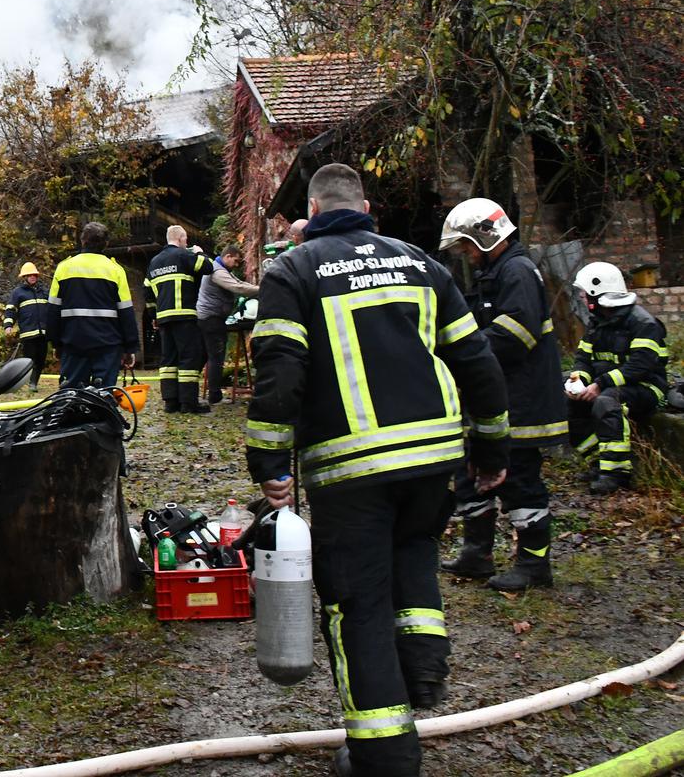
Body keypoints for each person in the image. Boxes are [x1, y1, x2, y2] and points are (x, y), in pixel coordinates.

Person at [246, 164, 509, 777]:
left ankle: (383, 754)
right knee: (413, 557)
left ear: (310, 210)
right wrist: (492, 450)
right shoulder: (420, 263)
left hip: (350, 470)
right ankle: (422, 673)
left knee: (357, 603)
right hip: (431, 461)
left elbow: (280, 371)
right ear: (364, 206)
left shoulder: (292, 271)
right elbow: (477, 360)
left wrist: (268, 461)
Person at [438, 198, 567, 590]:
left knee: (519, 480)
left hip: (522, 401)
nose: (465, 254)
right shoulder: (496, 272)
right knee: (470, 472)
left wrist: (465, 353)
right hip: (495, 397)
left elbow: (515, 337)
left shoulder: (517, 272)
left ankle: (533, 565)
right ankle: (477, 554)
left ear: (485, 236)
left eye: (466, 245)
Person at [567, 262, 667, 494]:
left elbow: (640, 366)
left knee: (607, 401)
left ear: (597, 293)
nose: (581, 296)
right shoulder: (596, 324)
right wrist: (578, 381)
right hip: (610, 386)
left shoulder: (644, 324)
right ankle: (598, 464)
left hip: (647, 387)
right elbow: (583, 359)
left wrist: (601, 384)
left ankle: (617, 473)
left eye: (584, 292)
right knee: (571, 402)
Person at [49, 222, 139, 388]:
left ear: (83, 241)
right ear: (106, 244)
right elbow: (126, 312)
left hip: (73, 342)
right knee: (103, 395)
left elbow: (53, 311)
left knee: (71, 396)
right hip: (108, 345)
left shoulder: (63, 268)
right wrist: (130, 347)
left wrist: (56, 343)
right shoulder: (115, 270)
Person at [147, 225, 214, 413]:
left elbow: (147, 292)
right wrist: (201, 253)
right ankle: (188, 403)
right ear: (181, 238)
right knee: (189, 359)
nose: (186, 243)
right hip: (184, 316)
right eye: (185, 240)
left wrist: (154, 316)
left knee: (168, 360)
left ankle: (170, 402)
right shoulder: (184, 256)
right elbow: (208, 267)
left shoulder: (154, 262)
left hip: (164, 319)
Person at [196, 245, 260, 407]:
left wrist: (257, 288)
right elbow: (237, 287)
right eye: (236, 260)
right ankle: (215, 396)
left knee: (203, 356)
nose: (237, 265)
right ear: (228, 256)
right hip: (211, 319)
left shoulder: (223, 270)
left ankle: (187, 391)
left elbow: (239, 282)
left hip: (210, 318)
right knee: (216, 357)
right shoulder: (217, 271)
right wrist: (264, 289)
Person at [2, 262, 52, 385]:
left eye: (34, 275)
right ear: (24, 277)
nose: (32, 277)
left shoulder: (44, 292)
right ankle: (31, 382)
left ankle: (34, 381)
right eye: (29, 275)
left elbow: (52, 309)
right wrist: (8, 325)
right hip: (28, 332)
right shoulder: (18, 292)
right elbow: (11, 310)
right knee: (29, 359)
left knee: (41, 359)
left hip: (43, 332)